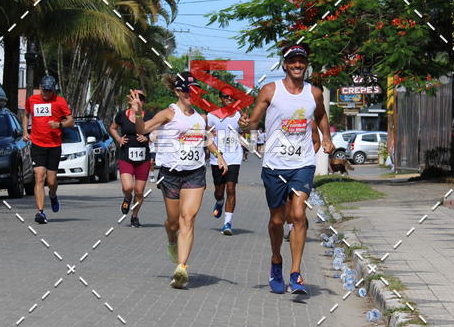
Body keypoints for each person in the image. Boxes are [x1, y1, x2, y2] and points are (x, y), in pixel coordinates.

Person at [240, 43, 333, 297]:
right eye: (293, 61)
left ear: (306, 64)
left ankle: (296, 272)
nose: (297, 65)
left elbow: (322, 115)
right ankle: (276, 261)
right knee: (277, 220)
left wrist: (326, 137)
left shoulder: (314, 93)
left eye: (302, 60)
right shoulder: (270, 90)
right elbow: (254, 121)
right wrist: (245, 123)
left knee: (299, 213)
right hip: (274, 164)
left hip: (302, 163)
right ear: (285, 65)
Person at [129, 72, 228, 289]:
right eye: (186, 90)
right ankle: (171, 239)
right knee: (173, 222)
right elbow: (142, 129)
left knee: (188, 218)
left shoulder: (199, 117)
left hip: (194, 173)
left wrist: (219, 154)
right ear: (177, 92)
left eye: (194, 90)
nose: (190, 94)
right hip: (170, 174)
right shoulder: (168, 114)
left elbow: (204, 138)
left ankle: (181, 268)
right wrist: (138, 114)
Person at [22, 75, 74, 225]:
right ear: (40, 88)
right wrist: (25, 131)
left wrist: (59, 125)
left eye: (49, 91)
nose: (46, 94)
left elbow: (71, 121)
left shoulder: (60, 101)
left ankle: (53, 194)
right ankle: (40, 212)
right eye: (44, 90)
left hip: (54, 145)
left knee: (51, 181)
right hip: (37, 144)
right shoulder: (32, 100)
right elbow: (26, 114)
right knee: (39, 177)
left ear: (53, 90)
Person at [109, 91, 153, 227]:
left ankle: (135, 216)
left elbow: (157, 132)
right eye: (135, 98)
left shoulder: (150, 116)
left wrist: (148, 137)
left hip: (143, 158)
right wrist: (118, 139)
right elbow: (112, 128)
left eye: (141, 98)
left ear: (143, 102)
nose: (138, 100)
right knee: (128, 187)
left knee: (139, 191)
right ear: (130, 101)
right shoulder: (122, 115)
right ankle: (127, 197)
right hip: (126, 156)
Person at [207, 86, 243, 235]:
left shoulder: (239, 115)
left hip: (234, 156)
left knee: (231, 188)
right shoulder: (212, 116)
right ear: (220, 99)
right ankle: (219, 201)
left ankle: (227, 223)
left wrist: (246, 127)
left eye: (231, 97)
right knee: (219, 191)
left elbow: (246, 131)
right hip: (217, 158)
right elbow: (207, 136)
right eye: (226, 97)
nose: (229, 99)